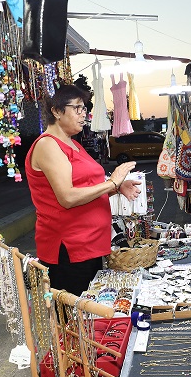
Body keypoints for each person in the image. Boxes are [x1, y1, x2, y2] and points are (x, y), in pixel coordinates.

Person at [25, 85, 142, 296]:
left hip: (89, 245)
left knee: (90, 314)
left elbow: (86, 189)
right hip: (69, 249)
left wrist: (117, 188)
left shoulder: (72, 144)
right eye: (77, 108)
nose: (83, 115)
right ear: (56, 111)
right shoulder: (48, 145)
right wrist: (112, 183)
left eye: (84, 108)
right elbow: (67, 197)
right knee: (75, 319)